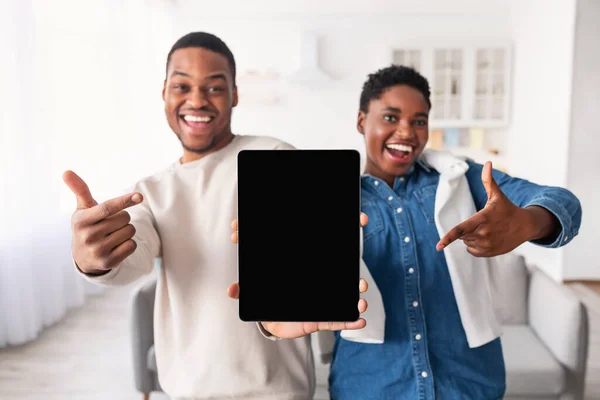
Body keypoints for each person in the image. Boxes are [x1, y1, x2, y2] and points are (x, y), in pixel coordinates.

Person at [232, 65, 582, 399]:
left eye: (419, 121)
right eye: (390, 117)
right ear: (361, 121)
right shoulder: (325, 200)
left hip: (469, 385)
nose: (406, 132)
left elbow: (563, 202)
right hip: (369, 386)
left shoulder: (464, 179)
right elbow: (294, 290)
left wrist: (528, 222)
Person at [62, 31, 368, 400]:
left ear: (235, 95)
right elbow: (132, 259)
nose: (196, 100)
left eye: (214, 88)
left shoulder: (274, 156)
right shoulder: (152, 189)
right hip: (191, 392)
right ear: (164, 93)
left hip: (281, 391)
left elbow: (311, 261)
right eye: (182, 86)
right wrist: (93, 258)